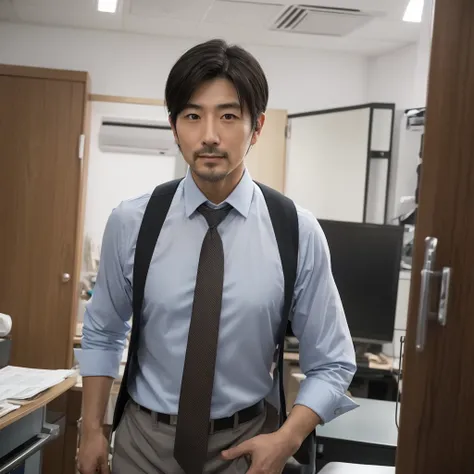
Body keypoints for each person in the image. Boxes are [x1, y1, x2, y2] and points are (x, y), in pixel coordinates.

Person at [75, 38, 357, 474]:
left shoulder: (296, 231)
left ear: (257, 127)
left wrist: (286, 439)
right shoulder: (132, 222)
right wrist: (92, 427)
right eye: (192, 116)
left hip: (246, 450)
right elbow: (102, 332)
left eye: (228, 116)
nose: (209, 135)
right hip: (142, 445)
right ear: (174, 127)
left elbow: (333, 361)